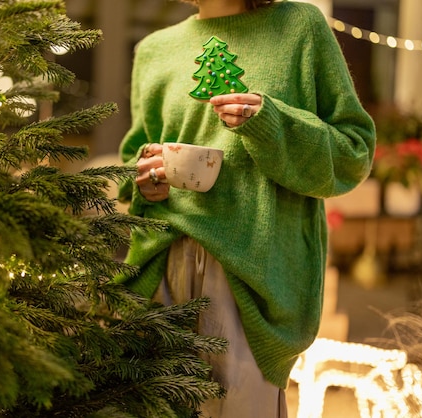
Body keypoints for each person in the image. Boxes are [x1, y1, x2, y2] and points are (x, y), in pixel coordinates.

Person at [115, 0, 376, 416]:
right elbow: (134, 155)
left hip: (253, 276)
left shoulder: (300, 27)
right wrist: (144, 179)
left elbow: (353, 153)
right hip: (162, 268)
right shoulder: (153, 49)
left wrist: (271, 121)